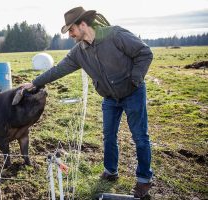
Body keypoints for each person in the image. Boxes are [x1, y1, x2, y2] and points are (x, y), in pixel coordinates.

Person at [22, 6, 153, 198]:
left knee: (140, 137)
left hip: (133, 92)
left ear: (83, 24)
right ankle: (111, 171)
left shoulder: (115, 35)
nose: (70, 35)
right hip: (109, 98)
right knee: (108, 136)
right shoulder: (79, 52)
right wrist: (34, 83)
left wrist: (135, 78)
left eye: (72, 30)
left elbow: (144, 53)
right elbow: (58, 70)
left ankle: (144, 179)